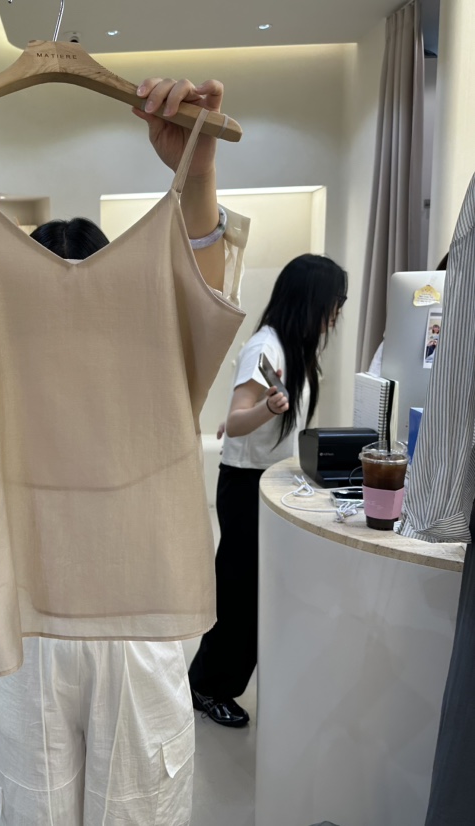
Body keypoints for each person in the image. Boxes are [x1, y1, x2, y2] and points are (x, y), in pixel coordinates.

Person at [0, 76, 248, 826]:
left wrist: (197, 173)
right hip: (27, 627)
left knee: (135, 812)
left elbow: (202, 296)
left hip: (136, 621)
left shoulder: (154, 367)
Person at [188, 253, 348, 727]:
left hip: (265, 482)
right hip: (246, 487)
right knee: (240, 597)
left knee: (251, 594)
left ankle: (214, 680)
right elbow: (237, 420)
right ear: (310, 300)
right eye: (334, 302)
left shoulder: (293, 348)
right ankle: (207, 686)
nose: (336, 314)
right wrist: (265, 411)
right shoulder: (268, 347)